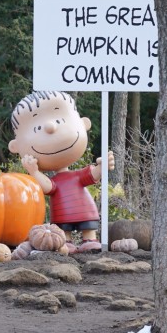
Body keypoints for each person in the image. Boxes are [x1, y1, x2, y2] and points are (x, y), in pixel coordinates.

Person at [8, 90, 114, 253]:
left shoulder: (78, 176)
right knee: (63, 231)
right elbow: (48, 188)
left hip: (85, 209)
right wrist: (34, 172)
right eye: (37, 128)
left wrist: (103, 167)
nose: (51, 127)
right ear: (15, 146)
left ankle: (90, 238)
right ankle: (67, 241)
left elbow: (93, 175)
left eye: (60, 119)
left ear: (84, 123)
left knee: (88, 227)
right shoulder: (55, 181)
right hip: (61, 213)